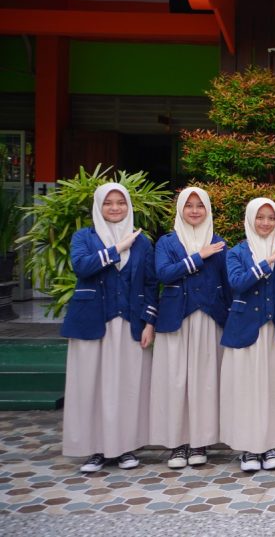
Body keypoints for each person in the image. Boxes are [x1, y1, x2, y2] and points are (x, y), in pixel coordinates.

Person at [62, 183, 156, 473]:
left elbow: (150, 283)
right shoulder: (84, 237)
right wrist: (117, 248)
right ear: (98, 206)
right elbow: (81, 267)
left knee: (128, 386)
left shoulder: (142, 242)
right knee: (91, 386)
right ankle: (96, 449)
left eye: (121, 202)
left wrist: (150, 321)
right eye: (108, 203)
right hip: (92, 322)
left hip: (130, 322)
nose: (115, 208)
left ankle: (125, 447)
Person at [219, 198, 275, 472]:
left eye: (271, 218)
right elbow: (237, 283)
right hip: (246, 330)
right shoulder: (236, 252)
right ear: (250, 219)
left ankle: (271, 445)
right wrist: (267, 262)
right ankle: (249, 448)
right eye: (260, 217)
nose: (266, 223)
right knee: (247, 389)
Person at [150, 187, 230, 469]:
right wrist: (197, 257)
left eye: (200, 205)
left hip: (209, 320)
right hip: (176, 320)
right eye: (189, 205)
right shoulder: (167, 242)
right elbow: (163, 273)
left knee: (205, 381)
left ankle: (200, 442)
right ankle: (178, 443)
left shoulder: (218, 243)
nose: (194, 211)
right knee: (175, 381)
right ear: (180, 209)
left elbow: (228, 285)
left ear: (208, 210)